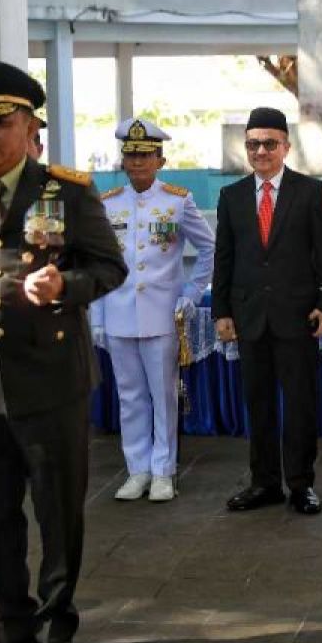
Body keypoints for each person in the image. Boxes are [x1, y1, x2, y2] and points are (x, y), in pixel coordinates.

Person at [0, 59, 126, 643]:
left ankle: (57, 621)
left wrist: (67, 286)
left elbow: (110, 266)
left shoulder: (68, 191)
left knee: (58, 514)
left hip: (51, 381)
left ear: (28, 126)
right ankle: (12, 624)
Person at [212, 107, 322, 515]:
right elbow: (224, 258)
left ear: (286, 145)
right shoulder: (231, 196)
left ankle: (301, 484)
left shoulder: (310, 192)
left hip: (297, 317)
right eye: (253, 144)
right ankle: (264, 483)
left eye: (269, 143)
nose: (261, 151)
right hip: (250, 318)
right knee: (258, 403)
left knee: (301, 403)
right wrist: (222, 312)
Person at [90, 118, 214, 502]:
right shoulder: (107, 203)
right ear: (123, 161)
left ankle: (163, 471)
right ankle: (137, 470)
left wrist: (192, 293)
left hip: (162, 315)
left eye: (145, 156)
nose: (138, 162)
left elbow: (210, 248)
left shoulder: (178, 200)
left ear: (160, 160)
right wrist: (96, 316)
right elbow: (96, 260)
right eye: (131, 155)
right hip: (118, 314)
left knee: (163, 396)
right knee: (129, 397)